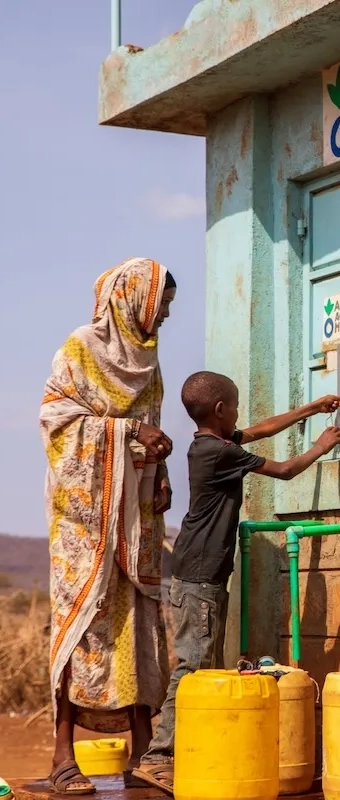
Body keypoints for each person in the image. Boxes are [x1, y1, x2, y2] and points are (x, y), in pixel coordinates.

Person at [133, 371, 340, 794]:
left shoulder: (210, 445)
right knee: (194, 668)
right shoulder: (219, 453)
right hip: (199, 578)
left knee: (204, 666)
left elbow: (260, 429)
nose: (240, 414)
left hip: (198, 573)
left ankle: (183, 752)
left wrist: (309, 409)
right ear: (220, 409)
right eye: (235, 405)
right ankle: (157, 757)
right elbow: (283, 470)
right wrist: (321, 446)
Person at [39, 258, 177, 795]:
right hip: (85, 520)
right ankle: (60, 756)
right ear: (133, 299)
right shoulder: (80, 349)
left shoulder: (150, 361)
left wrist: (159, 466)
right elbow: (57, 421)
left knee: (140, 629)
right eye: (159, 303)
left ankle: (144, 753)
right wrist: (129, 433)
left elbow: (151, 426)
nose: (164, 315)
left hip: (134, 518)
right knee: (84, 628)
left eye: (166, 306)